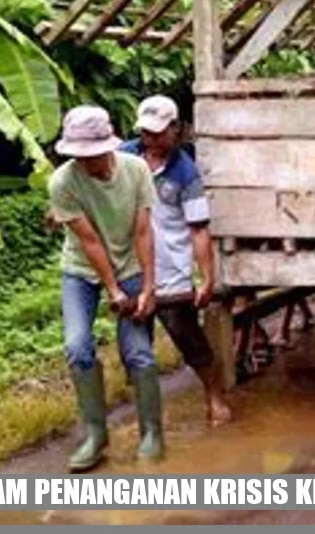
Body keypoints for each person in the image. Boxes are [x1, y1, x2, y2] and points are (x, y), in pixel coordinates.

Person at [48, 105, 163, 470]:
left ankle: (152, 432)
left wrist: (147, 287)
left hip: (130, 262)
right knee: (77, 345)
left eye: (92, 154)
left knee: (138, 352)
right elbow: (90, 242)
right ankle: (96, 434)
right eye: (78, 155)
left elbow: (144, 230)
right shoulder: (63, 183)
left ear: (107, 147)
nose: (86, 162)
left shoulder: (136, 170)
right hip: (81, 269)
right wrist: (112, 291)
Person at [120, 95, 233, 427]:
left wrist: (206, 277)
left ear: (176, 129)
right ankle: (148, 414)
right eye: (146, 133)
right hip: (132, 269)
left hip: (171, 271)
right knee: (134, 347)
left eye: (158, 133)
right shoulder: (124, 157)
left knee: (189, 339)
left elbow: (198, 230)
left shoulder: (185, 173)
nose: (152, 140)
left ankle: (214, 394)